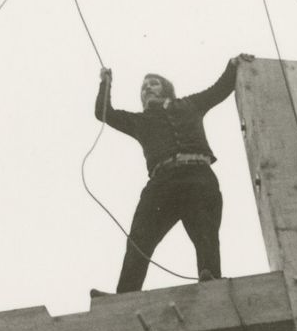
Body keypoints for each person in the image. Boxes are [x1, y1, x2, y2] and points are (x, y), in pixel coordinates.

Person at [93, 54, 253, 294]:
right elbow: (104, 112)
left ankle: (211, 284)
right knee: (140, 237)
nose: (147, 89)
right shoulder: (139, 121)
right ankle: (125, 295)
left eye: (153, 83)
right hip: (162, 181)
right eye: (143, 88)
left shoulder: (190, 105)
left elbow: (220, 89)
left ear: (167, 89)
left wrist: (232, 65)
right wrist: (105, 83)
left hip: (197, 175)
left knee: (205, 231)